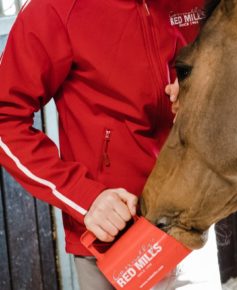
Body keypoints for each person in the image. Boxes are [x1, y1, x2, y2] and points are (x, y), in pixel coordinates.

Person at [0, 0, 222, 289]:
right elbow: (5, 119)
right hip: (117, 238)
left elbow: (232, 48)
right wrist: (85, 197)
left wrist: (197, 78)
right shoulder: (54, 8)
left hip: (194, 221)